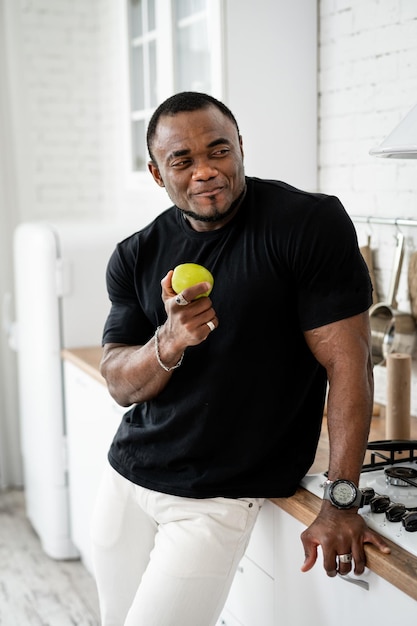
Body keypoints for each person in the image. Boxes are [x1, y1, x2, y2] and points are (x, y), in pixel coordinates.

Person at [91, 91, 390, 626]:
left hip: (215, 501)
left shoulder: (306, 224)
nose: (205, 171)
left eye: (218, 151)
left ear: (241, 149)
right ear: (158, 174)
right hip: (127, 480)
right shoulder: (136, 253)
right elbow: (118, 382)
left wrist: (342, 500)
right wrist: (170, 341)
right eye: (182, 160)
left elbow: (349, 365)